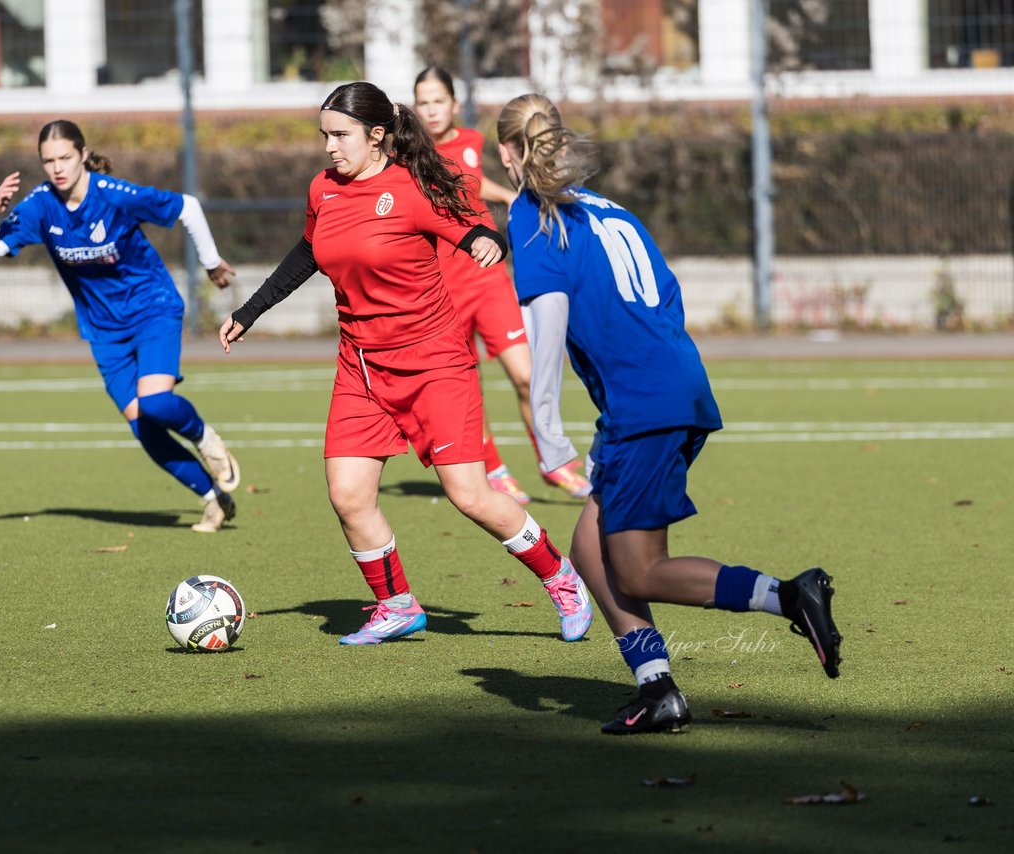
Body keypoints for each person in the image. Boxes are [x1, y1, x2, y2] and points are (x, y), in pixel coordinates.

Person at [495, 93, 842, 734]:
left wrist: (547, 434)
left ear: (506, 153)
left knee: (638, 568)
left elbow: (546, 331)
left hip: (641, 404)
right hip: (678, 384)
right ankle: (658, 689)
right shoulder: (611, 210)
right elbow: (668, 297)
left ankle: (790, 594)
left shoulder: (531, 214)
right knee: (590, 551)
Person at [218, 82, 592, 646]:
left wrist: (489, 243)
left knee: (470, 496)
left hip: (435, 365)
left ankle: (561, 578)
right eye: (324, 136)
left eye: (340, 135)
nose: (329, 148)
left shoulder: (414, 186)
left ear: (376, 136)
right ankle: (396, 605)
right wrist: (251, 311)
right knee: (348, 496)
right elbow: (307, 253)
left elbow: (480, 224)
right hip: (362, 368)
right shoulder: (324, 190)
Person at [0, 119, 241, 533]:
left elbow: (187, 206)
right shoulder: (41, 204)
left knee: (154, 403)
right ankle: (214, 498)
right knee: (143, 426)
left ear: (83, 154)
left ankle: (207, 439)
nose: (57, 168)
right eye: (48, 161)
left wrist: (210, 263)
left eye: (65, 157)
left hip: (152, 309)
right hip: (103, 331)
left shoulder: (113, 195)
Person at [413, 67, 592, 503]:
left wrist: (508, 196)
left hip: (487, 279)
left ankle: (554, 463)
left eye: (438, 100)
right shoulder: (411, 156)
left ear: (454, 103)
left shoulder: (472, 142)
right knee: (467, 386)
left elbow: (471, 181)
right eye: (422, 102)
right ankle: (494, 469)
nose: (431, 110)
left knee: (527, 375)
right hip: (443, 290)